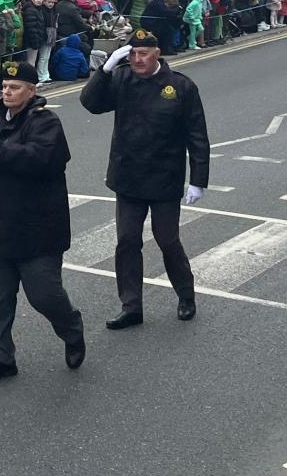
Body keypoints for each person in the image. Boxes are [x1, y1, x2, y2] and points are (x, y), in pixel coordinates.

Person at [0, 59, 85, 383]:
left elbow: (38, 160)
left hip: (36, 229)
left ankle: (71, 329)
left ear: (32, 90)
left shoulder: (45, 122)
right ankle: (0, 356)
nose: (7, 92)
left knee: (44, 295)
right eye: (4, 86)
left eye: (15, 87)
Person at [79, 25, 209, 329]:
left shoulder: (180, 86)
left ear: (157, 54)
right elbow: (91, 103)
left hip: (164, 178)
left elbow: (197, 136)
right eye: (133, 54)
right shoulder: (122, 78)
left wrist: (198, 180)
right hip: (128, 176)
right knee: (127, 241)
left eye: (144, 54)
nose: (137, 59)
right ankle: (131, 306)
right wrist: (105, 70)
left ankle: (186, 295)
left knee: (167, 240)